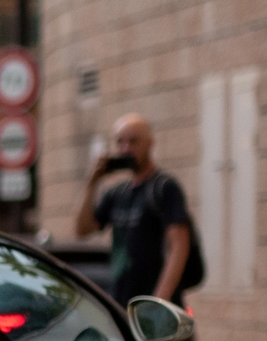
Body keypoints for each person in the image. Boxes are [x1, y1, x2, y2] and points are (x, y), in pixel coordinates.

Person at [74, 113, 195, 308]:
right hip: (123, 303)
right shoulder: (117, 193)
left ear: (150, 143)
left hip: (154, 306)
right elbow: (82, 229)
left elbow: (179, 246)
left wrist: (158, 303)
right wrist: (92, 182)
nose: (126, 149)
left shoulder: (164, 188)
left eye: (133, 142)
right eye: (120, 142)